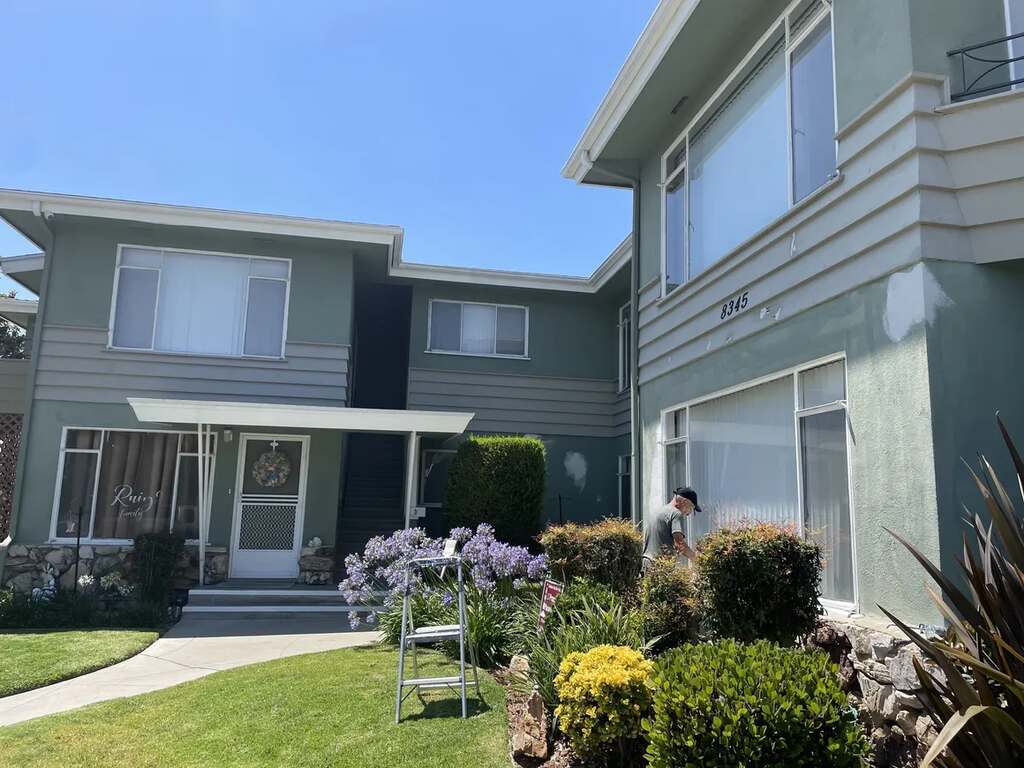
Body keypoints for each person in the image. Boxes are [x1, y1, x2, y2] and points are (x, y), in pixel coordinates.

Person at [643, 486, 701, 568]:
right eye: (691, 508)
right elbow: (680, 545)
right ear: (684, 502)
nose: (689, 513)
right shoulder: (676, 514)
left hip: (646, 563)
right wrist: (696, 559)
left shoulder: (658, 512)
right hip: (660, 567)